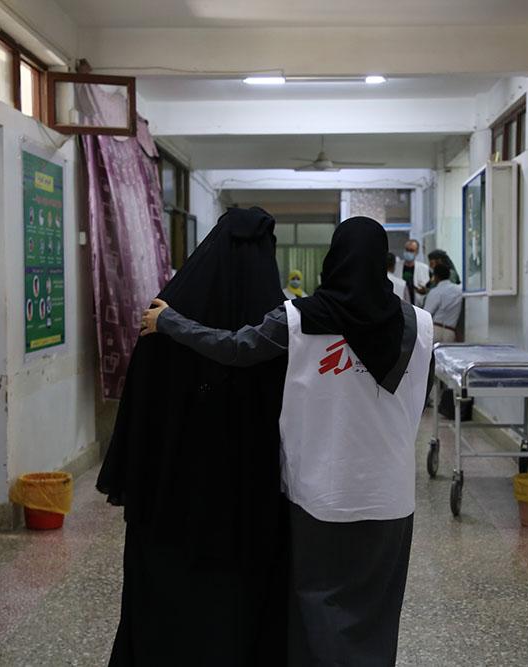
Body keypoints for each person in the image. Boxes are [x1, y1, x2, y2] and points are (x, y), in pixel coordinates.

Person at [141, 217, 433, 666]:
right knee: (378, 609)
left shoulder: (298, 318)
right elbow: (419, 396)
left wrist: (169, 322)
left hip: (319, 493)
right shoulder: (421, 325)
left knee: (316, 606)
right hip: (390, 495)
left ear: (335, 257)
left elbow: (235, 348)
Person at [97, 207, 289, 666]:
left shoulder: (165, 313)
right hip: (248, 502)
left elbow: (140, 415)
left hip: (173, 503)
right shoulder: (281, 323)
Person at [423, 263, 463, 343]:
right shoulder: (459, 290)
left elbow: (426, 314)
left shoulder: (435, 292)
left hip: (435, 330)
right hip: (450, 332)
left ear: (436, 276)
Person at [393, 238, 430, 304]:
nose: (408, 252)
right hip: (400, 301)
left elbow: (427, 288)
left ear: (417, 252)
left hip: (418, 303)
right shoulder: (396, 266)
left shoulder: (424, 268)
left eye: (411, 250)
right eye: (407, 250)